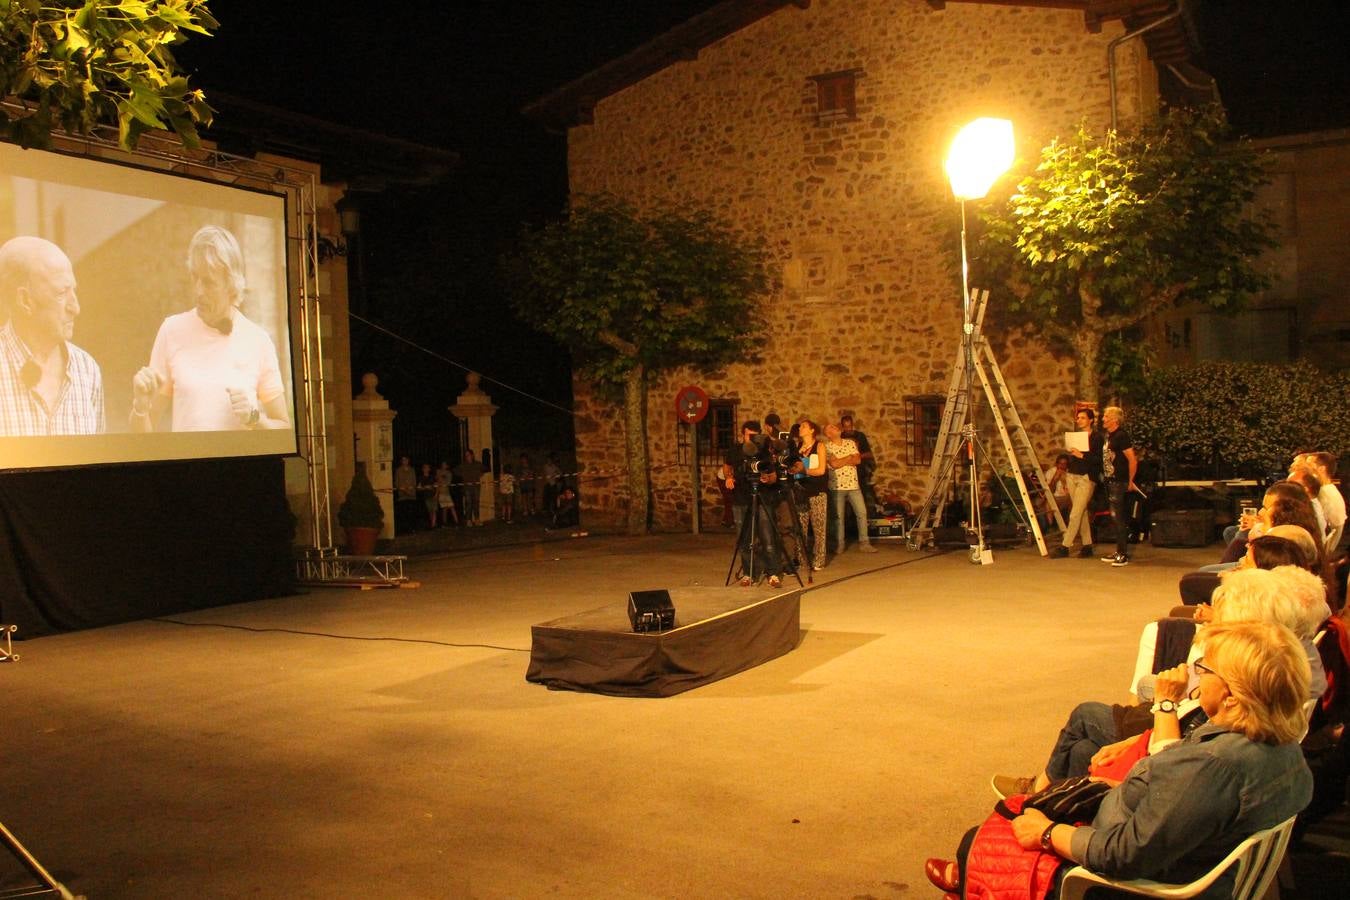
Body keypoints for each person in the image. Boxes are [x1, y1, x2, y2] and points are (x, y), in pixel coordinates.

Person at [931, 621, 1313, 900]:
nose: (1198, 676)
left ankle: (967, 882)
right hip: (1187, 860)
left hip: (1137, 885)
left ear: (1232, 696)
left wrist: (1046, 833)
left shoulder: (1214, 766)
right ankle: (967, 883)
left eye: (1205, 670)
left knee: (987, 835)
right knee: (1069, 772)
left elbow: (1121, 855)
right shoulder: (1285, 749)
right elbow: (1182, 806)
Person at [130, 225, 288, 433]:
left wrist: (254, 418)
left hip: (242, 466)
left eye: (208, 282)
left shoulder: (259, 341)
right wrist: (140, 407)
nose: (198, 291)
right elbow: (142, 436)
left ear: (232, 285)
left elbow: (284, 428)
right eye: (195, 277)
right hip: (186, 465)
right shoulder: (172, 330)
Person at [0, 235, 104, 435]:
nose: (76, 308)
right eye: (61, 293)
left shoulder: (88, 370)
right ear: (25, 300)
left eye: (74, 291)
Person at [722, 419, 787, 587]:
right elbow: (726, 466)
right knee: (744, 539)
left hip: (763, 498)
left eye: (754, 436)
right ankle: (749, 573)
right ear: (742, 434)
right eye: (749, 435)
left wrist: (768, 479)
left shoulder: (763, 452)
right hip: (741, 499)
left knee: (767, 538)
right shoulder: (735, 450)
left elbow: (773, 476)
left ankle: (773, 573)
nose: (751, 438)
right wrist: (729, 477)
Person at [1049, 408, 1101, 558]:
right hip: (1073, 475)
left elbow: (1098, 460)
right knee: (1081, 511)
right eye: (1078, 418)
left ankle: (1065, 545)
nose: (1079, 420)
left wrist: (1082, 455)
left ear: (1090, 420)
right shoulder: (1076, 436)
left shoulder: (1097, 438)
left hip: (1086, 477)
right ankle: (1087, 545)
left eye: (1083, 418)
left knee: (1075, 513)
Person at [824, 422, 877, 554]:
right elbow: (834, 464)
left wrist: (842, 460)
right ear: (828, 434)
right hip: (836, 486)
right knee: (839, 517)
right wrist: (849, 457)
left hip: (853, 485)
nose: (835, 427)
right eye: (831, 427)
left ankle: (864, 543)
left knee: (862, 513)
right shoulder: (826, 447)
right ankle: (839, 544)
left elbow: (858, 460)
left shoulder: (850, 443)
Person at [1099, 406, 1138, 567]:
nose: (1103, 419)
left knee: (1119, 517)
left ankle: (1123, 553)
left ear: (1115, 420)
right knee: (1115, 518)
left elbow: (1132, 459)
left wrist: (1130, 481)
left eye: (1107, 416)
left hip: (1119, 481)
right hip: (1110, 480)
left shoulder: (1122, 436)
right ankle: (1118, 550)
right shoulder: (1110, 436)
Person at [791, 417, 828, 571]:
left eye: (804, 426)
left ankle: (819, 559)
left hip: (817, 491)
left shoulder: (819, 446)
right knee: (801, 528)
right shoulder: (798, 447)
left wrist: (804, 470)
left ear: (812, 430)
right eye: (800, 426)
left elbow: (821, 470)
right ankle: (802, 559)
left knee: (819, 528)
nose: (801, 428)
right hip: (801, 491)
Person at [840, 413, 878, 515]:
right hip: (845, 474)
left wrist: (856, 457)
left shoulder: (860, 436)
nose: (848, 429)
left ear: (852, 425)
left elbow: (869, 454)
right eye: (845, 426)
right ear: (842, 426)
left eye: (849, 426)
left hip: (860, 473)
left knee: (861, 500)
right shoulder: (840, 438)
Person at [1039, 453, 1072, 533]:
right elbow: (1048, 491)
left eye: (1064, 464)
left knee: (1074, 501)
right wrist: (1055, 479)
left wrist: (1064, 480)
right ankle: (1051, 527)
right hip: (1055, 497)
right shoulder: (1051, 472)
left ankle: (1071, 527)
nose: (1062, 466)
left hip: (1067, 497)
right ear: (1057, 464)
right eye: (1060, 464)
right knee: (1049, 503)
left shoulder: (1070, 472)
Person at [455, 450, 483, 527]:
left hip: (476, 487)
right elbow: (456, 471)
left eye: (468, 455)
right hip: (467, 487)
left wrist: (479, 475)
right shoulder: (463, 465)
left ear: (472, 455)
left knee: (476, 503)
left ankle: (477, 520)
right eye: (466, 455)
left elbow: (482, 470)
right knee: (468, 504)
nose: (467, 457)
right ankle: (468, 520)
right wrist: (463, 475)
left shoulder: (477, 464)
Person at [435, 460, 459, 527]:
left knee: (451, 506)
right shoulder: (438, 471)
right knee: (444, 508)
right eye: (442, 464)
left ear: (447, 466)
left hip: (447, 492)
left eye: (445, 464)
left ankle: (456, 522)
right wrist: (440, 479)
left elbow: (448, 483)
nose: (443, 465)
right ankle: (444, 523)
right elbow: (437, 480)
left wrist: (441, 479)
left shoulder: (449, 473)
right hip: (440, 492)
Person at [416, 462, 438, 529]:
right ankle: (432, 523)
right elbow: (418, 488)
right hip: (426, 496)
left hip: (433, 495)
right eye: (425, 468)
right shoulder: (420, 478)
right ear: (423, 469)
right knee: (430, 511)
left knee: (434, 510)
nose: (426, 469)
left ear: (429, 469)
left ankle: (433, 525)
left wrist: (436, 494)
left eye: (427, 467)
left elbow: (437, 486)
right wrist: (425, 487)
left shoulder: (432, 477)